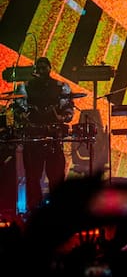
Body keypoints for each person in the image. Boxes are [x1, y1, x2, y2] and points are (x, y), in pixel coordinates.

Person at [14, 56, 74, 213]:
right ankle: (34, 209)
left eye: (44, 67)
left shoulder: (60, 86)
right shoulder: (25, 87)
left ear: (49, 68)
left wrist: (63, 117)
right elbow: (18, 108)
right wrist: (22, 116)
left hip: (53, 135)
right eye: (39, 68)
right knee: (33, 176)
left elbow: (68, 109)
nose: (41, 70)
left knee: (56, 176)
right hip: (33, 136)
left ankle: (58, 210)